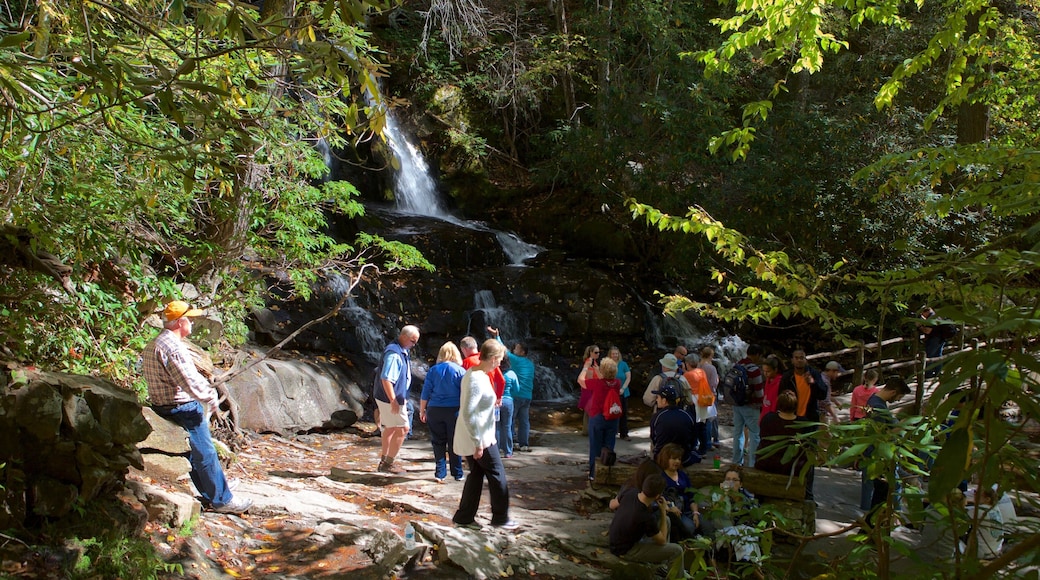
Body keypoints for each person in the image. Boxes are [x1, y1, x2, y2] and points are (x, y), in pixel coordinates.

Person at [142, 301, 252, 514]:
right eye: (189, 319)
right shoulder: (172, 347)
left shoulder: (156, 342)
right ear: (180, 322)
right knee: (206, 452)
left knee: (195, 454)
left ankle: (213, 494)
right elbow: (190, 382)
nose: (192, 322)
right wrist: (211, 397)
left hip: (163, 405)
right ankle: (223, 500)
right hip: (182, 408)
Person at [452, 339, 519, 530]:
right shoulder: (475, 378)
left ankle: (464, 517)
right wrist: (478, 443)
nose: (500, 363)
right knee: (498, 474)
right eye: (500, 360)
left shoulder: (478, 373)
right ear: (493, 358)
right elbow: (468, 413)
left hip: (481, 436)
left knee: (476, 474)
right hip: (479, 438)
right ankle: (500, 518)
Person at [777, 348, 827, 500]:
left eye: (802, 357)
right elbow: (781, 398)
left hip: (810, 420)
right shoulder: (787, 377)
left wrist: (812, 384)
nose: (799, 360)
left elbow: (823, 393)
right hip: (792, 420)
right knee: (788, 456)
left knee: (809, 458)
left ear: (806, 359)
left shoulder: (814, 374)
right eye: (796, 357)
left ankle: (808, 494)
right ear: (792, 360)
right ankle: (787, 491)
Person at [608, 474, 684, 568]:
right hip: (626, 550)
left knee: (667, 521)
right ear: (657, 496)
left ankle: (662, 565)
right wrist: (663, 511)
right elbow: (662, 541)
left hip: (617, 540)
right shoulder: (645, 516)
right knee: (677, 550)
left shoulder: (631, 492)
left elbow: (612, 505)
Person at [863, 377, 912, 520]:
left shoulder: (878, 402)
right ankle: (874, 523)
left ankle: (877, 523)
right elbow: (881, 435)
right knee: (882, 494)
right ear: (893, 392)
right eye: (899, 397)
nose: (897, 400)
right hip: (879, 456)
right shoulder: (877, 406)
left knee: (882, 493)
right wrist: (901, 426)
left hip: (880, 455)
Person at [375, 325, 420, 474]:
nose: (414, 345)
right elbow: (386, 379)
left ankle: (384, 461)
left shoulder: (400, 349)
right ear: (404, 337)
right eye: (413, 341)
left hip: (389, 397)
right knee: (403, 429)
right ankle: (388, 463)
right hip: (391, 398)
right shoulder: (394, 354)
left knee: (390, 427)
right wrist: (393, 400)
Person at [419, 341, 466, 483]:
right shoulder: (460, 371)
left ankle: (440, 473)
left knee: (438, 442)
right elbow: (465, 393)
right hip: (454, 410)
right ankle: (457, 473)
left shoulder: (433, 370)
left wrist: (422, 410)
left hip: (435, 409)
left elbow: (425, 392)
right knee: (455, 442)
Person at [487, 327, 535, 452]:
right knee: (524, 421)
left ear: (523, 352)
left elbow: (504, 351)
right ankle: (524, 444)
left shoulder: (516, 360)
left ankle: (508, 445)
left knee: (509, 421)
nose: (514, 349)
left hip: (516, 395)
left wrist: (497, 336)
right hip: (528, 396)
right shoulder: (530, 363)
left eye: (517, 348)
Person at [700, 466, 762, 563]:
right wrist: (723, 494)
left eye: (734, 480)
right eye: (727, 479)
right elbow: (714, 512)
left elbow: (755, 518)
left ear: (740, 484)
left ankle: (750, 564)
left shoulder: (747, 498)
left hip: (744, 532)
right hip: (724, 532)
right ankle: (757, 570)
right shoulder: (717, 495)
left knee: (747, 538)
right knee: (743, 539)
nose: (730, 482)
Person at [755, 391, 810, 484]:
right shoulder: (804, 424)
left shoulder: (768, 419)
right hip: (793, 467)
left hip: (767, 463)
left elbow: (762, 436)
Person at [585, 357, 622, 482]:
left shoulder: (597, 383)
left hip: (598, 418)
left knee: (595, 447)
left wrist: (586, 367)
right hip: (612, 418)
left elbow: (581, 380)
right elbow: (607, 380)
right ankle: (607, 472)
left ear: (602, 371)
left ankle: (593, 474)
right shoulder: (617, 383)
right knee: (609, 446)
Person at [656, 443, 701, 541]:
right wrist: (671, 507)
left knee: (706, 524)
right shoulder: (660, 477)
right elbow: (659, 497)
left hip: (688, 508)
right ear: (666, 459)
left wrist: (695, 513)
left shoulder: (682, 475)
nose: (677, 461)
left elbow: (691, 495)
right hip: (674, 512)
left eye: (679, 459)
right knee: (689, 527)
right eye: (674, 458)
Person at [649, 383, 701, 466]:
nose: (656, 400)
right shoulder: (688, 415)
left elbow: (654, 439)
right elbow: (694, 440)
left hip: (662, 459)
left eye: (658, 398)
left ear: (664, 400)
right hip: (684, 458)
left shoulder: (657, 417)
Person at [732, 345, 765, 467]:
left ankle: (736, 462)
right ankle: (753, 463)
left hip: (736, 404)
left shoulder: (737, 365)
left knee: (737, 433)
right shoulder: (754, 370)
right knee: (755, 434)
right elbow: (759, 391)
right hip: (752, 407)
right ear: (757, 354)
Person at [684, 354, 712, 457]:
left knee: (693, 426)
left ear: (688, 363)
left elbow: (684, 386)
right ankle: (703, 448)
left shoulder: (687, 375)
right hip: (703, 400)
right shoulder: (702, 372)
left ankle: (692, 447)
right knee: (702, 426)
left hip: (694, 401)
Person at [608, 346, 634, 441]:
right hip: (611, 392)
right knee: (611, 412)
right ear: (610, 355)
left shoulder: (624, 364)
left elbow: (628, 377)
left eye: (616, 353)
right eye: (613, 354)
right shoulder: (608, 365)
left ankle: (624, 433)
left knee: (623, 413)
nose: (615, 355)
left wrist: (623, 388)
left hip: (623, 392)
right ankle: (611, 433)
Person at [699, 346, 722, 448]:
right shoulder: (711, 368)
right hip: (710, 395)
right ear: (711, 356)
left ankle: (703, 441)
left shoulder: (698, 365)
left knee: (702, 419)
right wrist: (718, 379)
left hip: (699, 394)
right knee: (711, 419)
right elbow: (713, 383)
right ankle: (712, 440)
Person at [577, 345, 601, 435]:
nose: (598, 354)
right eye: (596, 352)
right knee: (590, 409)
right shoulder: (589, 361)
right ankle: (589, 430)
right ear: (590, 353)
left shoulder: (593, 361)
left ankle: (586, 430)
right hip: (589, 388)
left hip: (590, 387)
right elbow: (590, 377)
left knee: (588, 409)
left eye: (598, 352)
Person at [498, 356, 517, 458]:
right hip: (508, 401)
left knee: (496, 427)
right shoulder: (511, 374)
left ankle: (496, 451)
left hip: (496, 401)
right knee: (507, 426)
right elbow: (517, 389)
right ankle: (508, 452)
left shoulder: (494, 373)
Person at [758, 355, 783, 421]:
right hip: (765, 413)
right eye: (764, 371)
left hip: (773, 416)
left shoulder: (780, 382)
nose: (765, 374)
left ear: (775, 370)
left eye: (768, 371)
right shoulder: (768, 380)